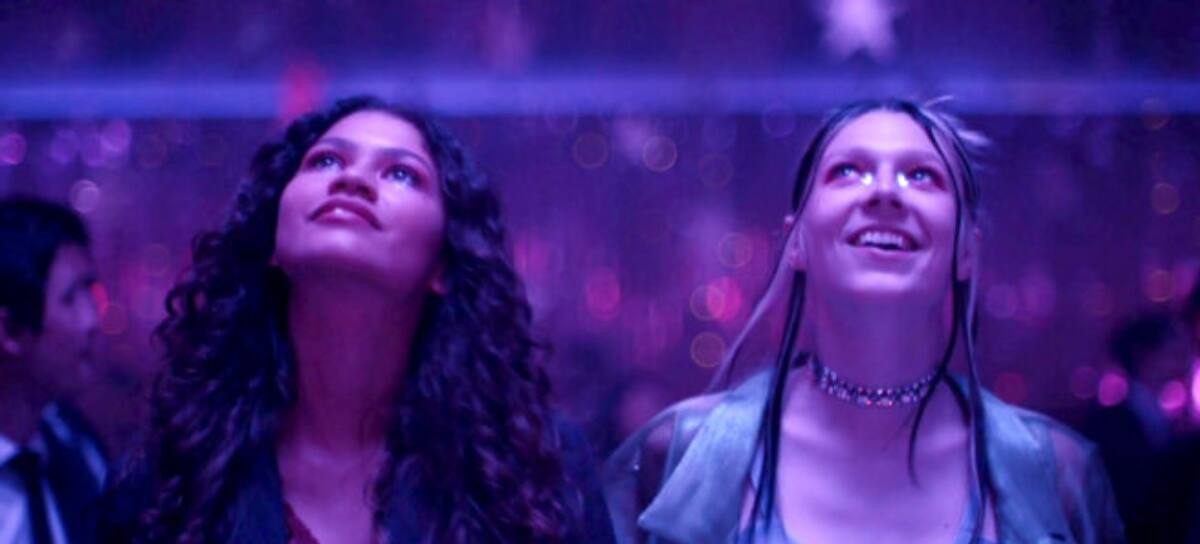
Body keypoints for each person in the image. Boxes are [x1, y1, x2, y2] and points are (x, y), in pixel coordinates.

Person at [605, 99, 1125, 543]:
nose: (885, 192)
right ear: (796, 241)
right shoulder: (676, 455)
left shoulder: (1057, 474)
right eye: (848, 171)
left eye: (921, 175)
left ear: (968, 251)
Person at [102, 96, 611, 543]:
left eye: (401, 174)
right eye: (325, 160)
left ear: (443, 264)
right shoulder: (171, 477)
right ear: (272, 239)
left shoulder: (535, 471)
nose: (352, 179)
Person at [0, 197, 109, 544]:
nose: (92, 321)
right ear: (11, 331)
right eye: (71, 298)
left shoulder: (79, 450)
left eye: (91, 293)